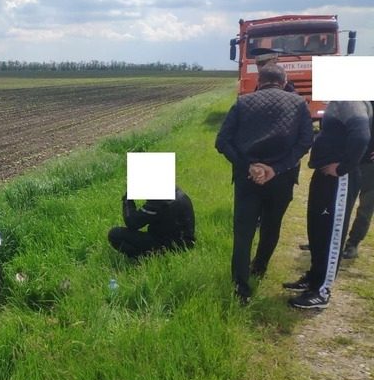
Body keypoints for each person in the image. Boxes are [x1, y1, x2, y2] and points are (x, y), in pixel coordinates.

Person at [215, 64, 313, 304]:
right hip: (281, 179)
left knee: (243, 232)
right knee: (271, 227)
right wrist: (275, 168)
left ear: (259, 80)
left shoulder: (242, 103)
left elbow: (222, 141)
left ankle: (240, 286)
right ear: (284, 80)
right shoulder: (298, 104)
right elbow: (305, 142)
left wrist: (248, 165)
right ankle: (259, 268)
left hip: (248, 178)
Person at [284, 101, 372, 309]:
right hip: (325, 175)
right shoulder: (338, 102)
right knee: (317, 230)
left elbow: (361, 137)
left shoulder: (350, 100)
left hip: (339, 179)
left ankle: (321, 291)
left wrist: (343, 168)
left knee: (331, 233)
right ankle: (314, 277)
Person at [107, 186, 195, 259]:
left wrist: (127, 198)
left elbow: (132, 222)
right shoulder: (175, 191)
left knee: (115, 234)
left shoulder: (159, 200)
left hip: (170, 248)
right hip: (186, 243)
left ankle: (144, 258)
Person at [342, 101, 374, 259]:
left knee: (365, 207)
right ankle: (331, 239)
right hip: (349, 160)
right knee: (340, 203)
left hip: (370, 164)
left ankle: (353, 243)